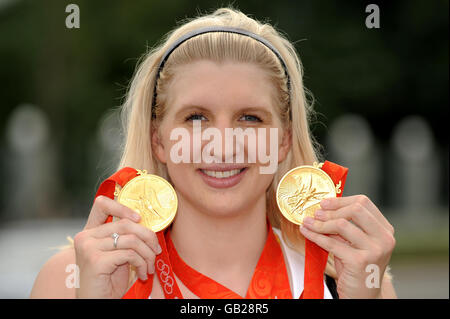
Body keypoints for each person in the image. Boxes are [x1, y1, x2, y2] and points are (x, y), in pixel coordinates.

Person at [30, 7, 397, 299]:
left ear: (283, 139)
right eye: (196, 118)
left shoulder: (353, 280)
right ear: (158, 139)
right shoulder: (73, 280)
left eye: (250, 118)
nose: (222, 143)